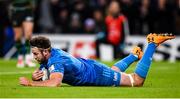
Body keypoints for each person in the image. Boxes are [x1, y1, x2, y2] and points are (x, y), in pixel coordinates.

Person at [19, 33, 175, 87]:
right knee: (113, 71)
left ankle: (152, 43)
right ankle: (134, 55)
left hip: (95, 75)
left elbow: (55, 83)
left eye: (35, 54)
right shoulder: (51, 54)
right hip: (90, 67)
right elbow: (47, 68)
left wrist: (32, 83)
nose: (34, 57)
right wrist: (37, 74)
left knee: (136, 81)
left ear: (46, 51)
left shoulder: (57, 61)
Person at [9, 0, 36, 67]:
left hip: (27, 10)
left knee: (28, 34)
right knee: (18, 36)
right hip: (15, 10)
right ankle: (20, 58)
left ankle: (28, 59)